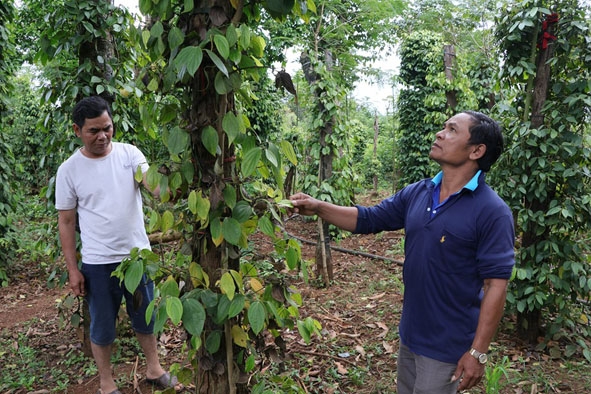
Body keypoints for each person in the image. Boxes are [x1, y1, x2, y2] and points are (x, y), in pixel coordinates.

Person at [289, 111, 515, 393]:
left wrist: (478, 352)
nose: (439, 134)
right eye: (443, 127)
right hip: (410, 334)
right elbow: (368, 218)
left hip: (447, 346)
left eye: (452, 130)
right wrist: (319, 207)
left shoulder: (492, 212)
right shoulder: (419, 192)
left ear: (476, 150)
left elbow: (496, 285)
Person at [55, 96, 181, 394]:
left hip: (137, 259)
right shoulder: (69, 170)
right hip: (98, 263)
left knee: (145, 316)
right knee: (102, 326)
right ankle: (106, 383)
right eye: (93, 131)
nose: (102, 136)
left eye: (107, 128)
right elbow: (66, 222)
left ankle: (154, 369)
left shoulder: (129, 154)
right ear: (77, 130)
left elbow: (152, 184)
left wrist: (171, 189)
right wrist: (73, 269)